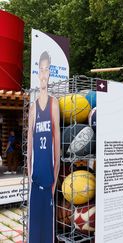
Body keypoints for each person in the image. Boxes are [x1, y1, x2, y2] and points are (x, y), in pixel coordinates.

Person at [26, 51, 60, 243]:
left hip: (48, 183)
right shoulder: (33, 108)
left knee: (47, 234)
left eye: (47, 69)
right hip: (35, 181)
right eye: (41, 69)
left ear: (49, 73)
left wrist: (54, 183)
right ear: (38, 73)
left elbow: (57, 148)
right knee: (34, 232)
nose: (44, 74)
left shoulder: (54, 104)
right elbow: (29, 146)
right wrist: (29, 174)